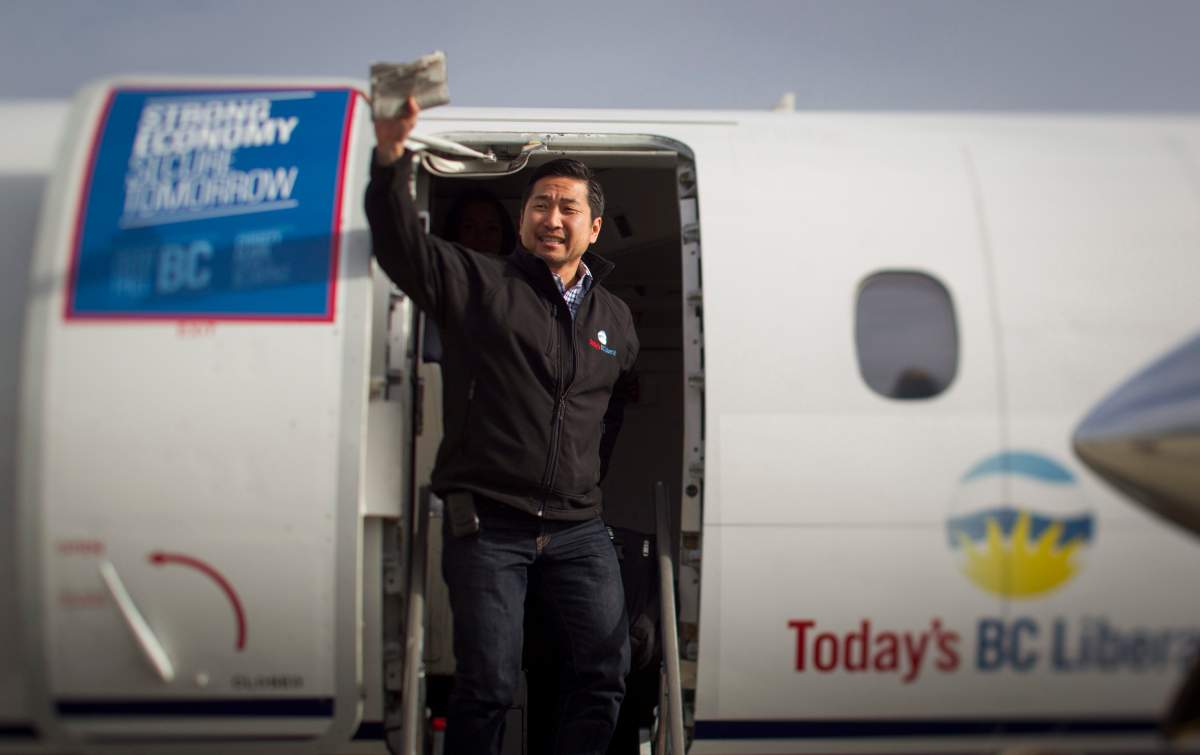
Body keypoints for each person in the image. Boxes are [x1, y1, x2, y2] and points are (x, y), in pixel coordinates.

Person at [366, 97, 639, 755]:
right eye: (540, 205)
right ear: (524, 220)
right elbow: (402, 248)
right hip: (490, 523)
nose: (552, 218)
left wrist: (586, 474)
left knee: (605, 674)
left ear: (594, 227)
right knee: (486, 684)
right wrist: (389, 160)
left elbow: (620, 402)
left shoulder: (616, 319)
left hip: (578, 528)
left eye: (568, 208)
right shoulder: (482, 284)